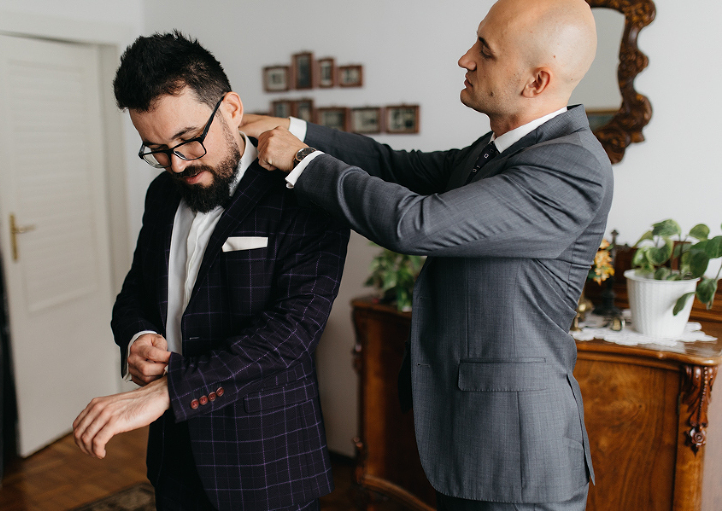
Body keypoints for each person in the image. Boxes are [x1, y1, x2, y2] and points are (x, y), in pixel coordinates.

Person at [240, 0, 612, 509]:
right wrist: (295, 128)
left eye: (485, 50)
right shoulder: (497, 149)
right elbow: (395, 165)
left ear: (537, 81)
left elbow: (416, 223)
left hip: (517, 456)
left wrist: (301, 162)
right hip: (472, 440)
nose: (465, 58)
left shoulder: (570, 165)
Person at [72, 32, 349, 511]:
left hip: (266, 460)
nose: (177, 164)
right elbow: (137, 289)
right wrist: (138, 337)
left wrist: (169, 391)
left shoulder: (305, 194)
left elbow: (292, 332)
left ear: (232, 109)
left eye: (187, 140)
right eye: (156, 149)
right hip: (174, 455)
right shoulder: (161, 194)